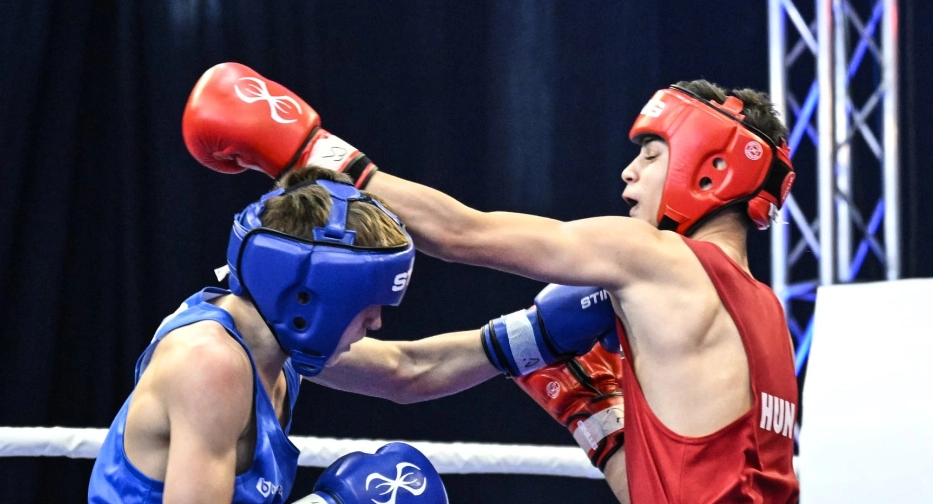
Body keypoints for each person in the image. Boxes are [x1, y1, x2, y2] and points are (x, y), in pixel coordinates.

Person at [182, 62, 800, 503]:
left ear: (711, 168)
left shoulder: (659, 259)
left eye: (651, 154)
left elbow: (461, 233)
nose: (628, 172)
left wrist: (308, 151)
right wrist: (593, 414)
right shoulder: (769, 317)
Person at [88, 159, 622, 502]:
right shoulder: (211, 363)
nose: (376, 322)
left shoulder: (271, 341)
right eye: (365, 307)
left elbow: (405, 371)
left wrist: (537, 334)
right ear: (309, 299)